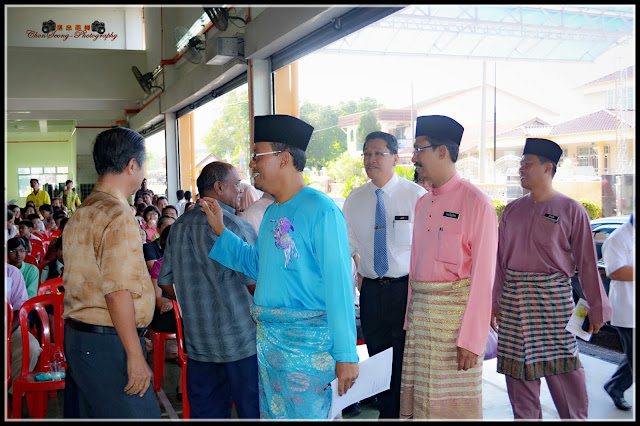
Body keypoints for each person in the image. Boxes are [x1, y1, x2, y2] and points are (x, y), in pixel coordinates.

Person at [198, 114, 359, 419]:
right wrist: (220, 229)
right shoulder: (273, 212)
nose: (252, 164)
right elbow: (257, 265)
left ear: (284, 158)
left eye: (257, 155)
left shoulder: (321, 209)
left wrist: (346, 354)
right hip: (272, 347)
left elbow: (339, 286)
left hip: (308, 349)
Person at [490, 137, 612, 420]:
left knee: (565, 373)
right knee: (518, 374)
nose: (521, 169)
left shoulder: (571, 209)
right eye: (521, 164)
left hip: (554, 303)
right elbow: (499, 262)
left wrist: (597, 307)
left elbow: (587, 263)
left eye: (527, 164)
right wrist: (494, 303)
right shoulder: (511, 210)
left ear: (548, 168)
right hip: (513, 303)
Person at [400, 115, 498, 419]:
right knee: (421, 406)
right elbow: (415, 269)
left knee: (451, 410)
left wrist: (472, 340)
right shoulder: (422, 203)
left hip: (455, 331)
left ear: (442, 151)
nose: (414, 158)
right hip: (420, 324)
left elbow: (483, 279)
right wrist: (410, 320)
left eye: (420, 149)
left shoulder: (477, 203)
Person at [61, 127, 161, 419]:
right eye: (143, 165)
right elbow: (117, 292)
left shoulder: (83, 210)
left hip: (81, 338)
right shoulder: (117, 214)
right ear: (132, 165)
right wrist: (135, 355)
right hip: (109, 342)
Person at [158, 161, 260, 419]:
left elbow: (165, 282)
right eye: (236, 184)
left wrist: (192, 299)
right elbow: (257, 286)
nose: (240, 189)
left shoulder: (179, 227)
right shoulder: (236, 227)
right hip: (241, 343)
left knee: (207, 414)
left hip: (199, 344)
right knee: (252, 411)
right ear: (218, 187)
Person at [342, 131, 427, 419]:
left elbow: (426, 249)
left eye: (378, 153)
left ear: (395, 158)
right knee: (378, 358)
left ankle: (399, 414)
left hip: (406, 291)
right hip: (371, 292)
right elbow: (348, 246)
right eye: (366, 154)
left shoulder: (416, 197)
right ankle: (387, 411)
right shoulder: (355, 200)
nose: (371, 159)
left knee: (404, 361)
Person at [602, 214, 634, 411]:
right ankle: (616, 387)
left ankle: (615, 386)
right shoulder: (617, 238)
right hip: (628, 311)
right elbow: (617, 271)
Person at [6, 263, 43, 395]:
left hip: (9, 327)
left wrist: (7, 332)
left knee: (31, 348)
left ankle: (12, 394)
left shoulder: (11, 273)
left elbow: (19, 309)